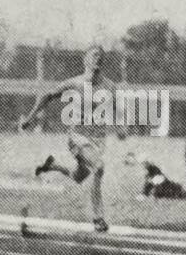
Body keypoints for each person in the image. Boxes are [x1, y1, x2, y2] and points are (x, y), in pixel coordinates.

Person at [21, 47, 120, 233]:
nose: (97, 59)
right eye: (93, 56)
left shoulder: (110, 86)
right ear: (86, 61)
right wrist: (30, 117)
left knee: (79, 177)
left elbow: (118, 108)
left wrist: (122, 127)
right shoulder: (75, 83)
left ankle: (52, 166)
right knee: (99, 167)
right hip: (78, 138)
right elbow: (48, 95)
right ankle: (98, 218)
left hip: (98, 141)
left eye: (100, 57)